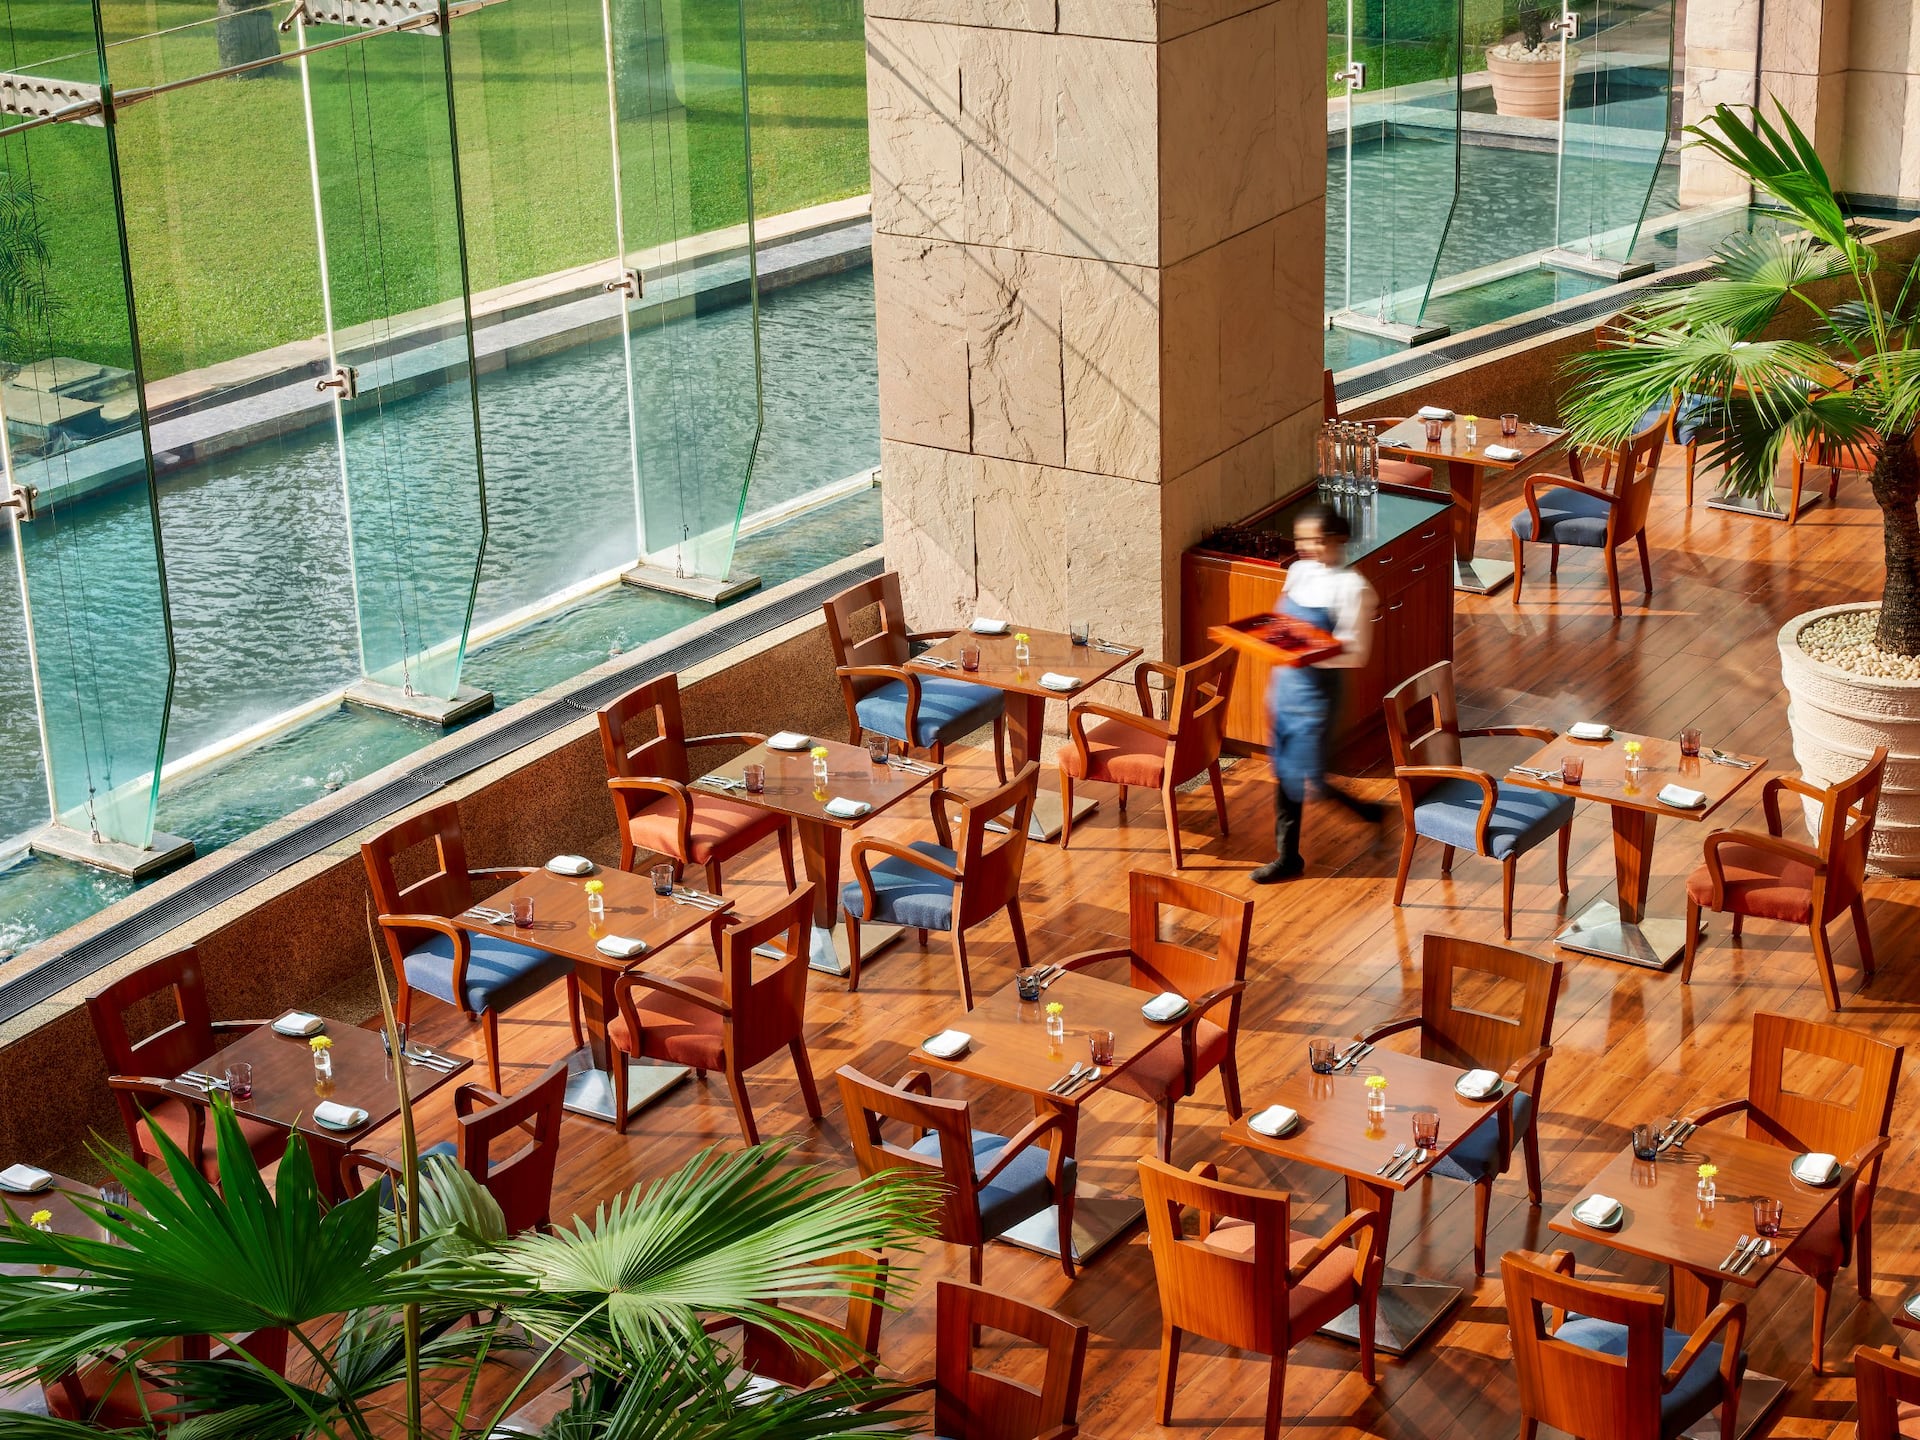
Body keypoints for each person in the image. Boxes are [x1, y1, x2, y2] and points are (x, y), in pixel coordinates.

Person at [1253, 502, 1383, 884]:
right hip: (1285, 685)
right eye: (1301, 540)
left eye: (1314, 540)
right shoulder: (1297, 571)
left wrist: (1307, 654)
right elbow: (1284, 624)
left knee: (1307, 779)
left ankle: (1295, 853)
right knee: (1288, 773)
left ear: (1337, 539)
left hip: (1317, 694)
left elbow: (1356, 654)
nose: (1306, 548)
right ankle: (1290, 855)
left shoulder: (1354, 588)